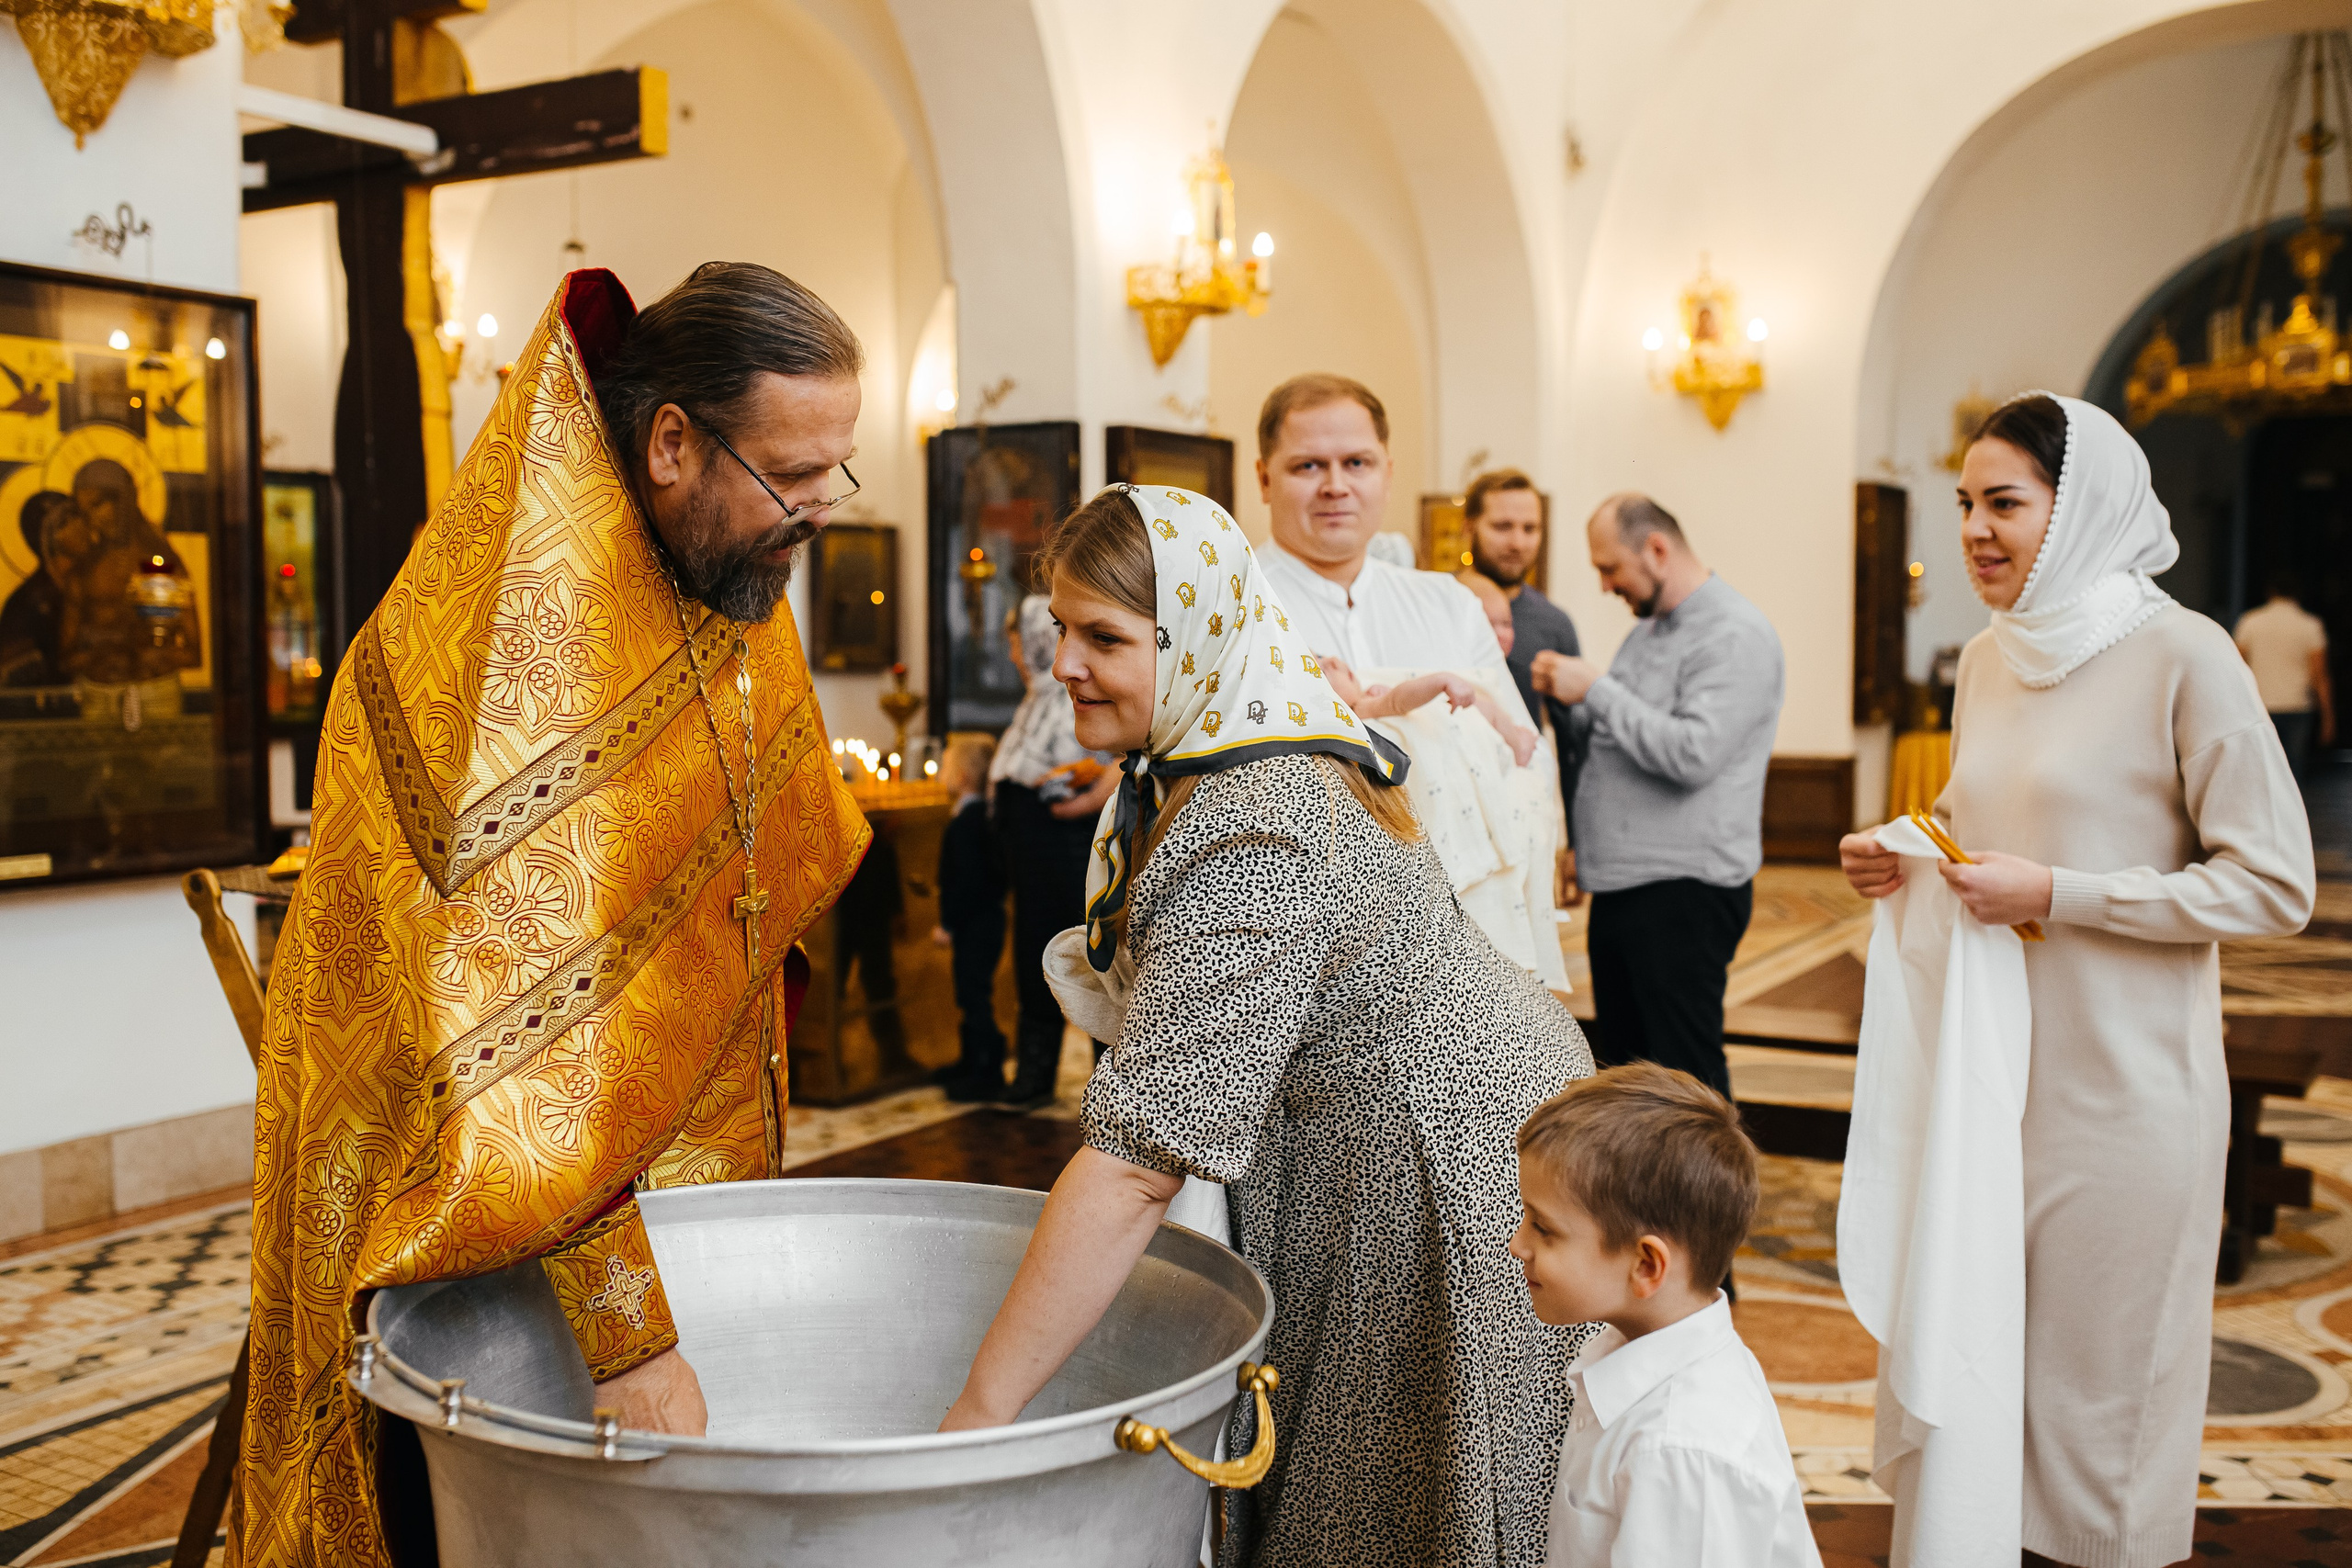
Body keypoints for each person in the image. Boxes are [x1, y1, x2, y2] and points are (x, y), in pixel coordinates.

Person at [237, 265, 873, 1567]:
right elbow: (507, 1056)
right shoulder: (513, 648)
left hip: (668, 1172)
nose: (816, 513)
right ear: (674, 440)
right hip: (450, 1203)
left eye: (834, 474)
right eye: (792, 476)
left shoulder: (716, 567)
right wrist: (630, 1325)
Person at [941, 483, 1592, 1568]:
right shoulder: (1226, 746)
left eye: (1103, 637)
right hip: (1384, 1131)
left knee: (1392, 1501)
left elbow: (1137, 1165)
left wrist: (975, 1417)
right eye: (1061, 628)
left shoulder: (1256, 822)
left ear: (1194, 640)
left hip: (1438, 1163)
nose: (1063, 665)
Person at [1838, 393, 2314, 1568]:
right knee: (1997, 1397)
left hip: (2125, 1103)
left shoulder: (2183, 653)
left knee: (2105, 1425)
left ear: (2080, 506)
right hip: (1994, 1091)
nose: (1974, 530)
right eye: (1964, 504)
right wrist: (1906, 847)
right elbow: (1979, 821)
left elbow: (2273, 886)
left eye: (2005, 502)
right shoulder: (1992, 661)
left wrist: (2061, 893)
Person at [1511, 1064, 1818, 1568]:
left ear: (1646, 1264)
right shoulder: (1634, 1350)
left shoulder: (1680, 1451)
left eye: (1544, 1228)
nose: (1517, 1244)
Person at [1532, 495, 1782, 1100]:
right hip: (1626, 886)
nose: (1603, 583)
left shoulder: (1734, 633)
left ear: (1658, 550)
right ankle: (1640, 1198)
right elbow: (1621, 736)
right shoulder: (1647, 632)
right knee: (1629, 1077)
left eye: (1610, 567)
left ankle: (1708, 1198)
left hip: (1683, 891)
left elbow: (1694, 754)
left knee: (1683, 1079)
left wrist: (1595, 688)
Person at [1251, 375, 1536, 737]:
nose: (1336, 487)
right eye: (1308, 466)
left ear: (1387, 475)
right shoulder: (1230, 607)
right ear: (1264, 480)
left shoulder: (1452, 605)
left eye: (1357, 463)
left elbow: (1527, 757)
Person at [988, 593, 1119, 1104]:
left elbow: (1117, 761)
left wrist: (1087, 802)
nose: (1016, 652)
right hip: (1034, 836)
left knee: (1087, 945)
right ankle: (1036, 1074)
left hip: (1066, 837)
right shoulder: (1038, 696)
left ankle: (1105, 1085)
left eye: (1018, 640)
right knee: (1033, 946)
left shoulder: (1076, 694)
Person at [1467, 468, 1585, 886]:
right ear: (1470, 527)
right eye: (1502, 526)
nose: (1518, 542)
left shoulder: (1554, 625)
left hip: (1522, 810)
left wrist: (1577, 845)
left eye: (1529, 528)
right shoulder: (1433, 601)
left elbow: (1573, 743)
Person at [933, 734, 1008, 1100]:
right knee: (969, 992)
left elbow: (966, 881)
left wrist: (948, 922)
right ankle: (970, 1060)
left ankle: (987, 1069)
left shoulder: (967, 822)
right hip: (985, 921)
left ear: (961, 776)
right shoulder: (980, 816)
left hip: (975, 923)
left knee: (974, 994)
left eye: (946, 765)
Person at [2234, 570, 2334, 783]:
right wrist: (2328, 716)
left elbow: (2236, 664)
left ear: (2270, 592)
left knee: (2262, 765)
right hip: (2298, 703)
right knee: (2293, 769)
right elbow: (2319, 674)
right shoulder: (2310, 625)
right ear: (2298, 594)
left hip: (2260, 702)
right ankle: (2291, 813)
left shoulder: (2250, 621)